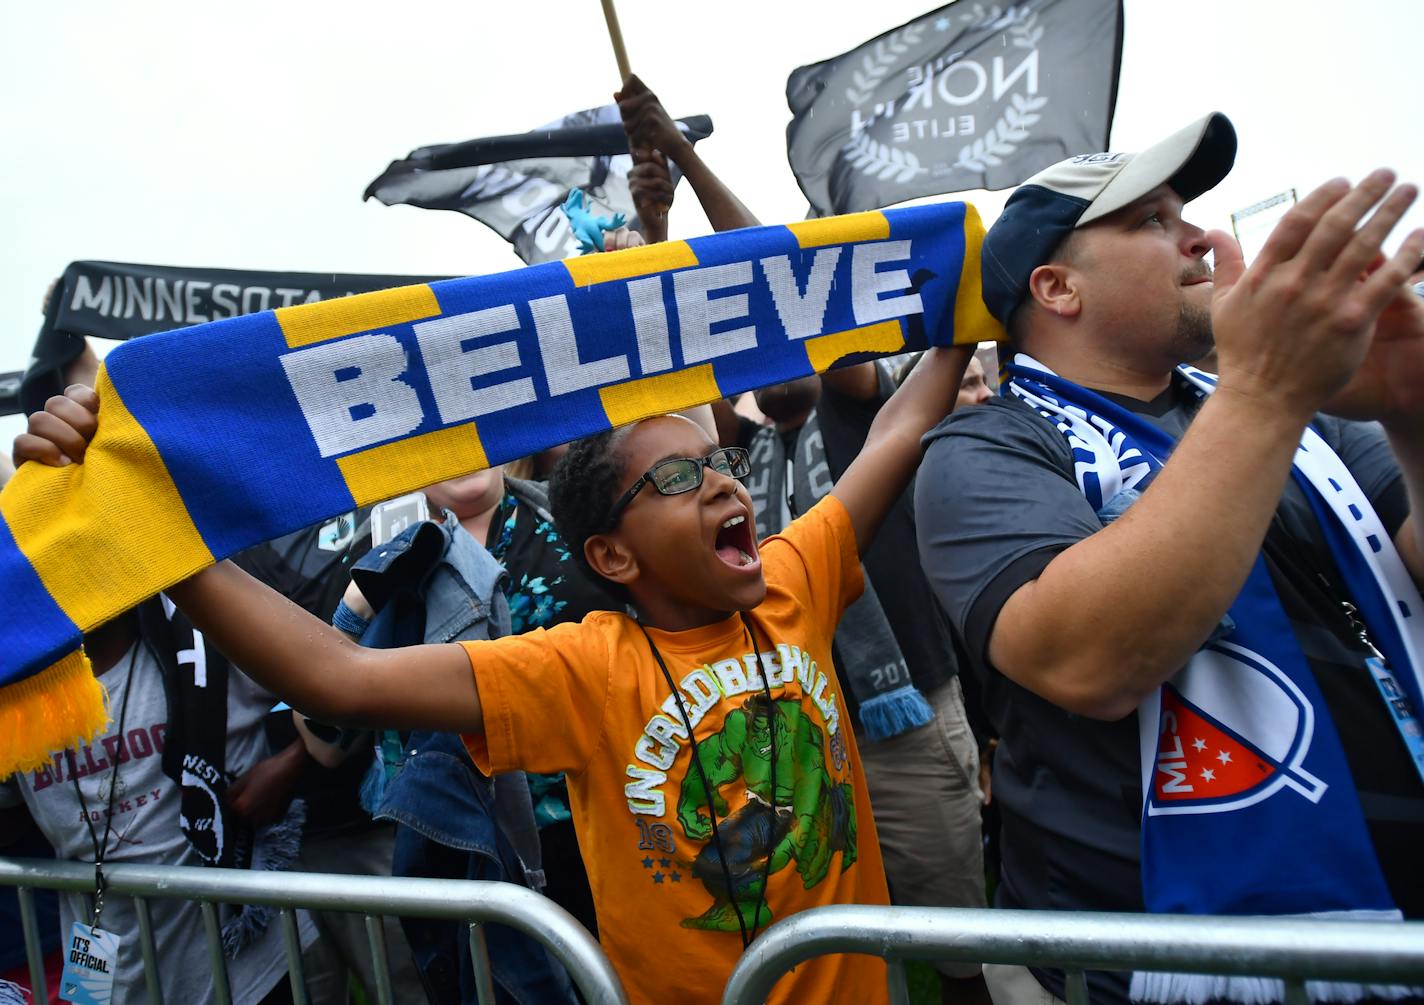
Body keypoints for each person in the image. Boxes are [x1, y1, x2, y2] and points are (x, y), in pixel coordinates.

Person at [17, 332, 975, 1005]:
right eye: (677, 478)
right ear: (611, 558)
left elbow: (893, 433)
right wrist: (156, 536)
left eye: (715, 462)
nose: (722, 481)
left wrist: (959, 325)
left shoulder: (792, 583)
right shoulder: (579, 667)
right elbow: (338, 680)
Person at [915, 113, 1424, 1004]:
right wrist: (1264, 389)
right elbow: (1088, 656)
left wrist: (1414, 411)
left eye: (1186, 210)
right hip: (1170, 956)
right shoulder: (984, 450)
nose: (1200, 236)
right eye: (1151, 220)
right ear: (1058, 288)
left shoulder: (1300, 406)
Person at [731, 362, 991, 1005]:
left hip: (904, 717)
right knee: (828, 935)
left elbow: (836, 352)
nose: (777, 357)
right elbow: (689, 388)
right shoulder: (734, 458)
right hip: (796, 737)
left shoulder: (859, 416)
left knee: (957, 940)